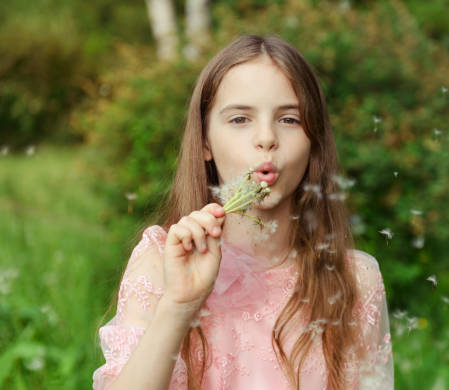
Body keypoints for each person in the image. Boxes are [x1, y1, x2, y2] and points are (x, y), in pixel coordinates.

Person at [93, 34, 393, 390]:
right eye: (240, 119)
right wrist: (178, 306)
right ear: (205, 141)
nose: (266, 138)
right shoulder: (162, 265)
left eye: (290, 120)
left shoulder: (354, 280)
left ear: (314, 141)